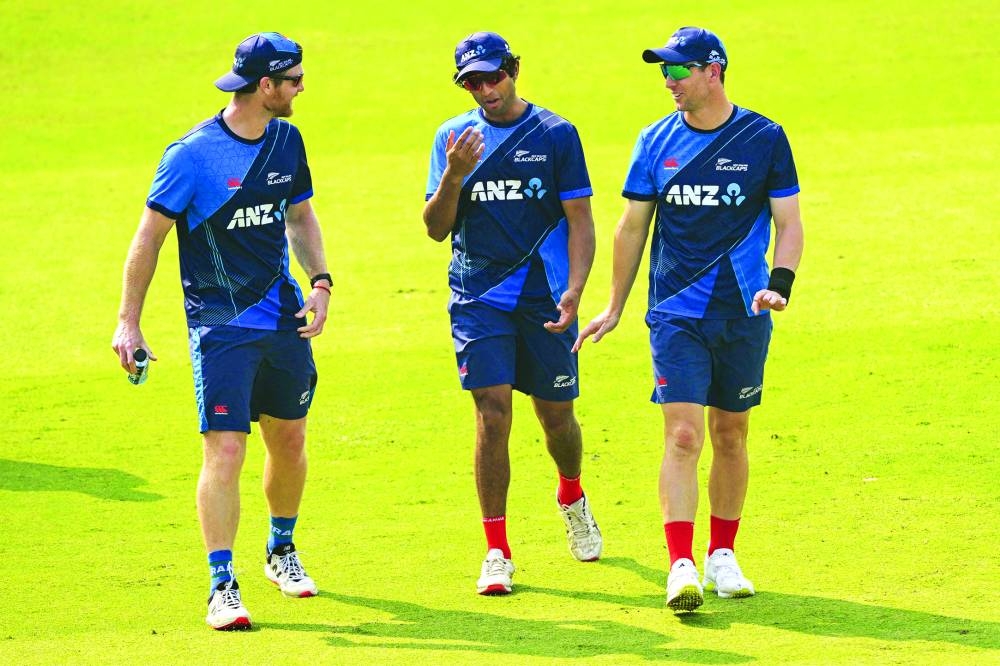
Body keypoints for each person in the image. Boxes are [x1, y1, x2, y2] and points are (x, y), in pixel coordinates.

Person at [575, 26, 804, 612]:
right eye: (664, 72)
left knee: (732, 433)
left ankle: (722, 554)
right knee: (682, 435)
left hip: (745, 310)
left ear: (714, 70)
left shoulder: (765, 137)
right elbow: (632, 228)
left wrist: (780, 286)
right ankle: (680, 565)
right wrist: (615, 305)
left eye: (679, 71)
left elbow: (789, 221)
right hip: (675, 313)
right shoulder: (654, 141)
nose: (668, 81)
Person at [112, 32, 331, 630]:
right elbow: (148, 239)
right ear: (265, 86)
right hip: (221, 327)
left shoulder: (288, 140)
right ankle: (222, 582)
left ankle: (281, 549)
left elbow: (300, 214)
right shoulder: (191, 155)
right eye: (293, 79)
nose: (302, 86)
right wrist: (128, 322)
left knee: (288, 441)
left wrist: (321, 282)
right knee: (227, 449)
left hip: (284, 320)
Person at [423, 31, 603, 595]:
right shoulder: (453, 138)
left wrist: (575, 289)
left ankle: (571, 492)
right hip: (477, 298)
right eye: (472, 82)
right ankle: (497, 550)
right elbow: (435, 229)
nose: (485, 89)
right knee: (492, 414)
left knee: (556, 419)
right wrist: (453, 174)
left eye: (492, 76)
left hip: (545, 297)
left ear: (514, 69)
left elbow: (580, 219)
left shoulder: (555, 134)